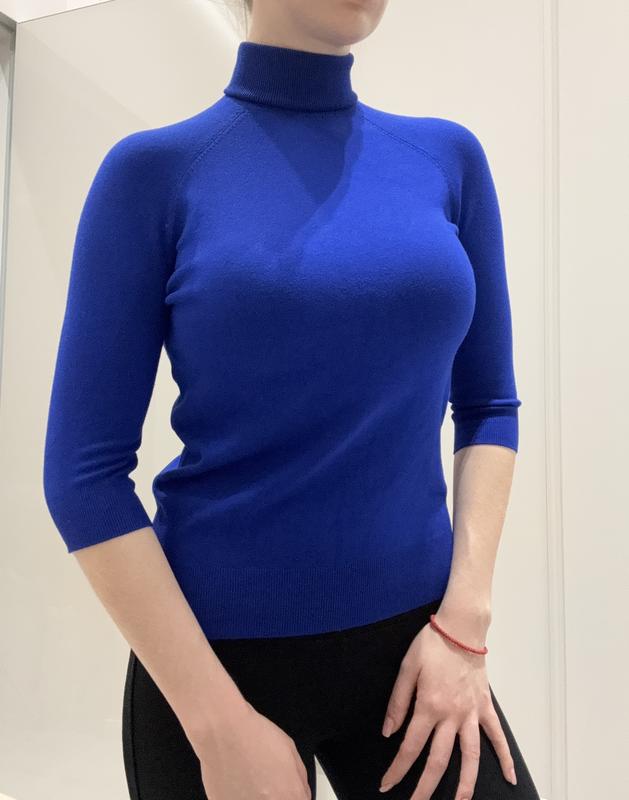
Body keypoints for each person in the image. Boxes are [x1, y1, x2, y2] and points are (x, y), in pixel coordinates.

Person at [42, 1, 542, 798]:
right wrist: (217, 724)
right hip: (214, 666)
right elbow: (83, 475)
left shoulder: (446, 160)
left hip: (421, 650)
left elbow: (488, 405)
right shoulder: (154, 172)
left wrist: (465, 625)